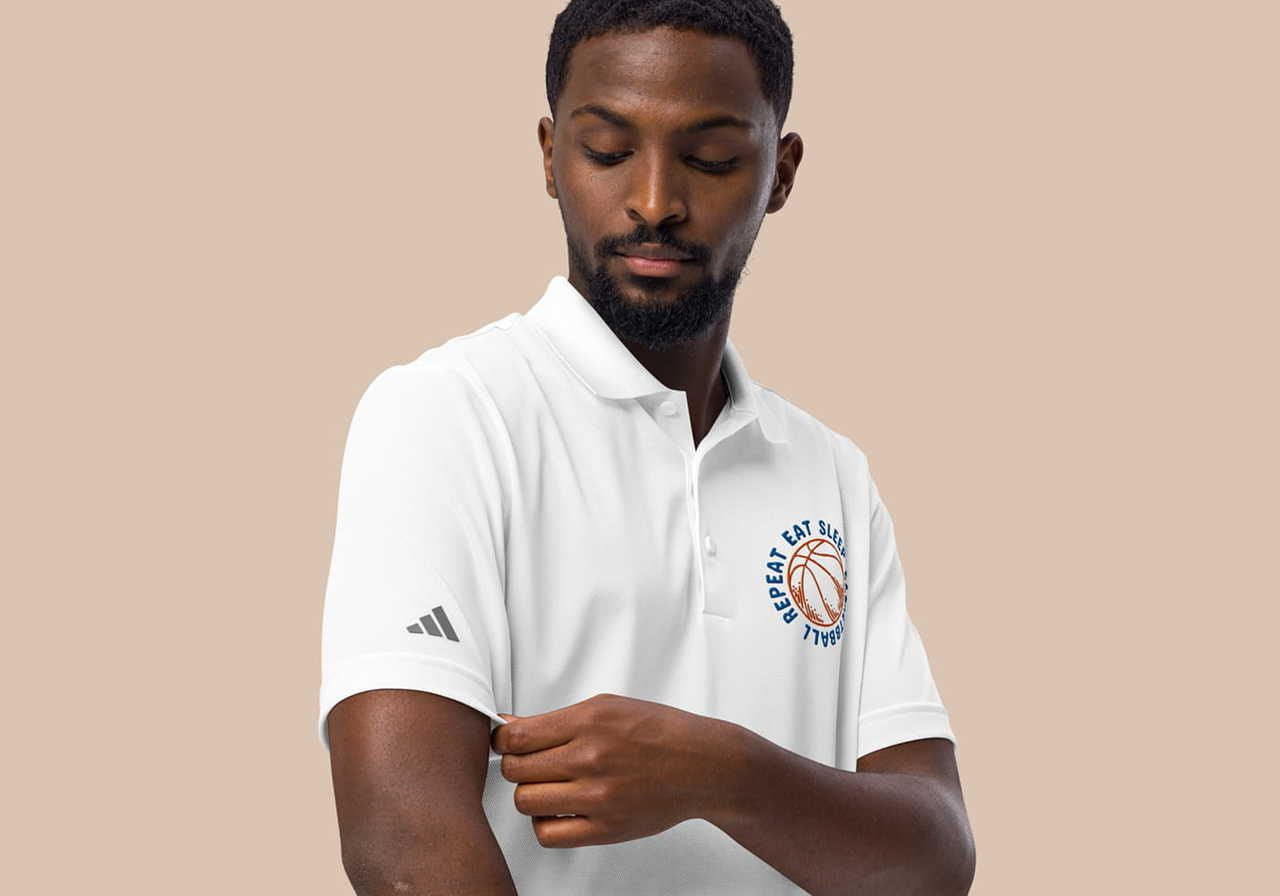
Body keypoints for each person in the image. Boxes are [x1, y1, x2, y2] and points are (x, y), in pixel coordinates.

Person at [319, 2, 976, 893]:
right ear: (549, 157)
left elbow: (935, 857)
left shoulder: (831, 474)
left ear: (780, 173)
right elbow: (403, 843)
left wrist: (720, 773)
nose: (655, 200)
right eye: (607, 150)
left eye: (710, 156)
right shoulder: (447, 415)